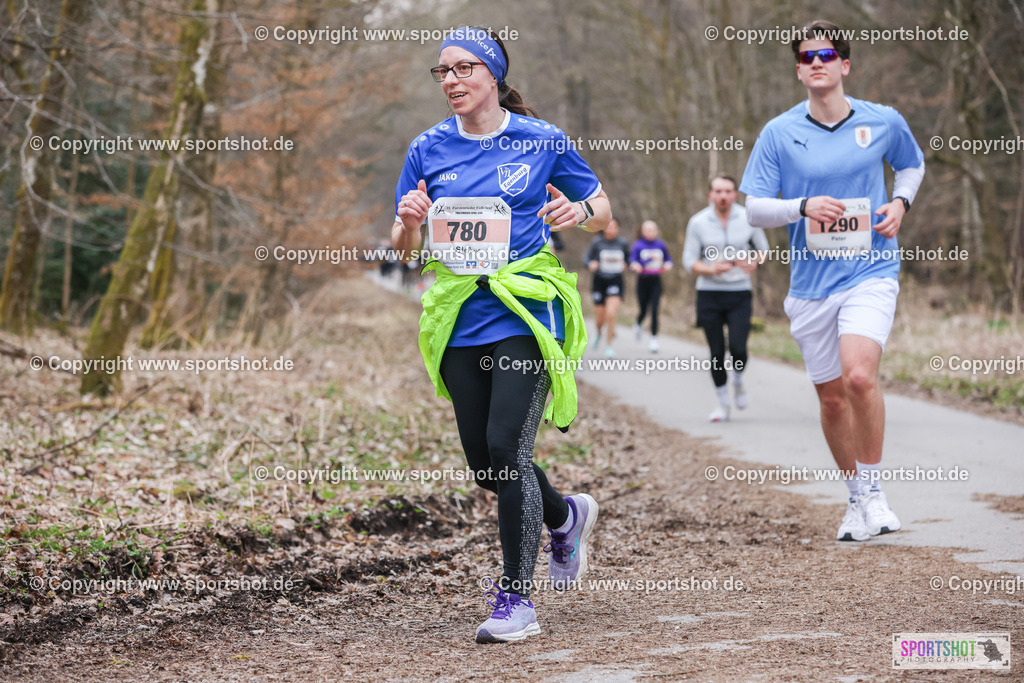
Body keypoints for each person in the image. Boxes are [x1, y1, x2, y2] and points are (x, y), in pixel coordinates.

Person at [391, 26, 608, 643]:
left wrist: (577, 211)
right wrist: (409, 225)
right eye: (443, 71)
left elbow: (603, 208)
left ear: (493, 74)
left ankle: (516, 601)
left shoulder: (541, 140)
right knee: (487, 466)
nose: (453, 80)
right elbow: (406, 251)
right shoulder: (427, 148)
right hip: (460, 316)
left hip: (524, 311)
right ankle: (566, 516)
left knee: (507, 449)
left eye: (464, 68)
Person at [739, 19, 925, 542]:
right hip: (810, 285)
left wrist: (900, 203)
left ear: (845, 64)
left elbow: (911, 166)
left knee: (859, 377)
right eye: (806, 58)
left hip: (872, 269)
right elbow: (755, 210)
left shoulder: (882, 120)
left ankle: (875, 490)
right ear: (799, 71)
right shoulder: (779, 132)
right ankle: (854, 500)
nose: (816, 64)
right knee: (832, 399)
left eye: (826, 56)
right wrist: (801, 207)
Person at [682, 174, 769, 422]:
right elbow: (689, 261)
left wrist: (753, 261)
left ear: (735, 194)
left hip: (740, 292)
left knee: (739, 349)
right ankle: (722, 404)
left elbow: (763, 252)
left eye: (728, 191)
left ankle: (738, 380)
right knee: (717, 352)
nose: (723, 196)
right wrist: (710, 269)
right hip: (709, 293)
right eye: (718, 191)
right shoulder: (698, 222)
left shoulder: (749, 218)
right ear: (710, 194)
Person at [584, 218, 629, 357]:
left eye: (614, 227)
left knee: (611, 313)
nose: (611, 229)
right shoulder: (597, 242)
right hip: (599, 281)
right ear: (604, 228)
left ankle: (609, 345)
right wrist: (591, 264)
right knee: (600, 317)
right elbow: (586, 258)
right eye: (608, 227)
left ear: (618, 229)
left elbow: (629, 259)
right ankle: (598, 332)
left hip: (615, 280)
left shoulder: (622, 243)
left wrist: (627, 264)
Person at [629, 220, 672, 352]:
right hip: (642, 281)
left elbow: (668, 260)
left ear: (656, 231)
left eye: (653, 229)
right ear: (642, 231)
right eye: (647, 230)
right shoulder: (638, 245)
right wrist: (637, 265)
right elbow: (632, 260)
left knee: (654, 309)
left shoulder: (661, 245)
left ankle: (654, 340)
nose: (650, 232)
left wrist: (668, 265)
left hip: (656, 281)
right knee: (643, 309)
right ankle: (638, 323)